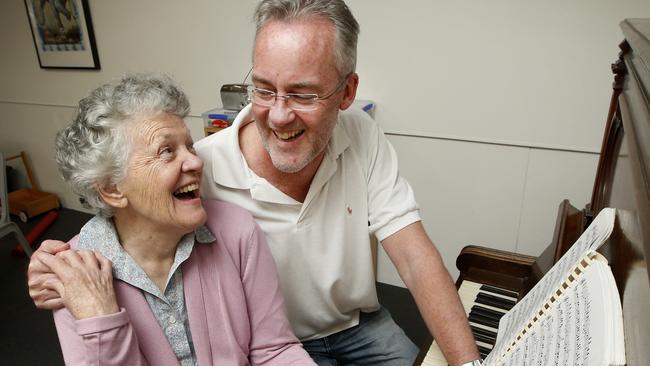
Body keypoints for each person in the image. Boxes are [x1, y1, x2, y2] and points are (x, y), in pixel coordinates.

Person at [29, 1, 482, 365]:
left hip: (348, 328)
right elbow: (127, 223)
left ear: (347, 92)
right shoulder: (202, 171)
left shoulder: (362, 136)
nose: (280, 114)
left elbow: (415, 257)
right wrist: (51, 267)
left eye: (303, 94)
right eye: (264, 89)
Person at [38, 74, 315, 365]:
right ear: (111, 188)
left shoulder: (236, 230)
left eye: (190, 146)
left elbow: (274, 350)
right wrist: (100, 320)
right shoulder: (75, 276)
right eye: (167, 151)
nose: (196, 162)